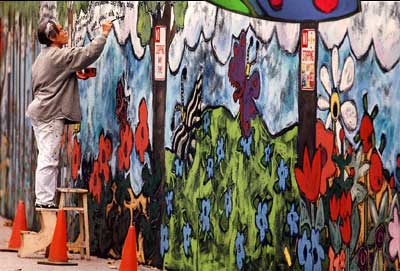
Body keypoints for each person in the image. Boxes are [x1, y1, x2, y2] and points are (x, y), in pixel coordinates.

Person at [26, 18, 113, 209]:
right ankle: (44, 202)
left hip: (40, 112)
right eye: (61, 29)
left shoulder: (44, 57)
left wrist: (72, 75)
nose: (65, 31)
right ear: (52, 37)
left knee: (46, 156)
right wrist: (104, 33)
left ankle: (44, 200)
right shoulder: (58, 56)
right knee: (49, 158)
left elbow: (51, 81)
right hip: (50, 114)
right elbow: (88, 53)